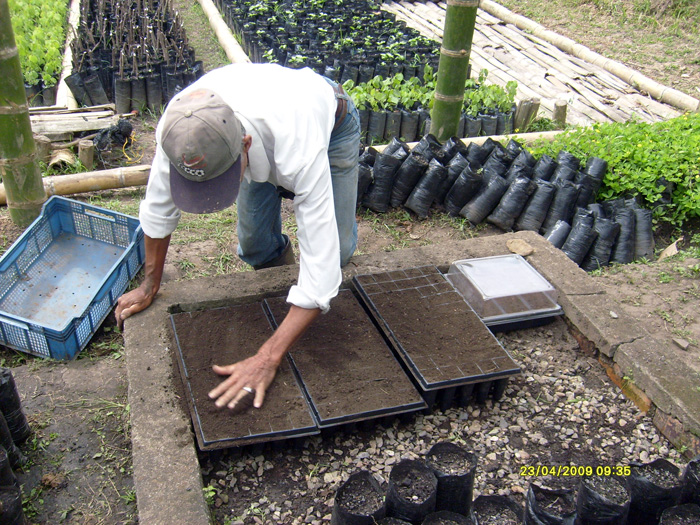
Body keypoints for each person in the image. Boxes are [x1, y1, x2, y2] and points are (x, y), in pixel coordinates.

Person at [115, 63, 360, 412]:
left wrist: (266, 358)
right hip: (261, 126)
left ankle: (294, 314)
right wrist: (149, 284)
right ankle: (285, 290)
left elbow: (322, 273)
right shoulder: (181, 130)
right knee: (255, 245)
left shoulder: (299, 148)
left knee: (337, 254)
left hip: (331, 122)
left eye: (223, 179)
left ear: (244, 145)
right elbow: (157, 210)